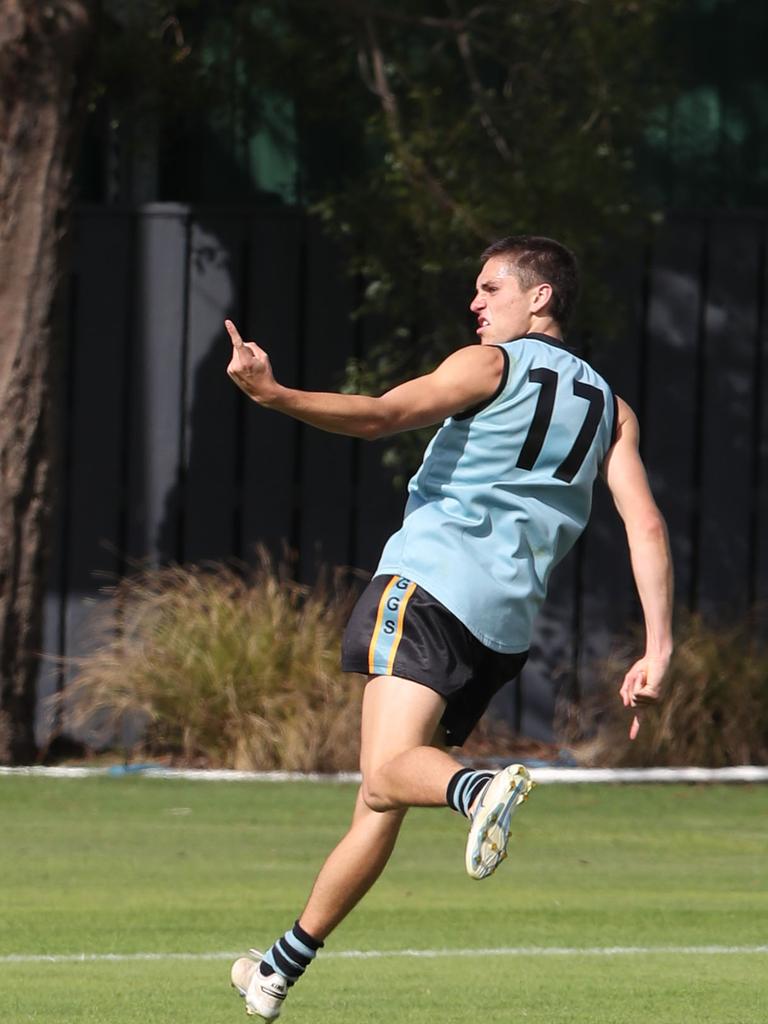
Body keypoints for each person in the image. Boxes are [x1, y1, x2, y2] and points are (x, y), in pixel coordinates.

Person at [224, 235, 674, 1020]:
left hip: (430, 587)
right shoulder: (613, 408)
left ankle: (474, 790)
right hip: (500, 631)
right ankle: (277, 970)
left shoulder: (490, 365)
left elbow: (381, 417)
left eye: (489, 287)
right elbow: (647, 529)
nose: (475, 303)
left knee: (389, 770)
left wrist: (274, 395)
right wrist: (659, 647)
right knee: (381, 798)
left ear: (540, 298)